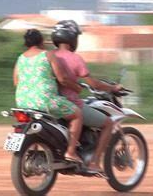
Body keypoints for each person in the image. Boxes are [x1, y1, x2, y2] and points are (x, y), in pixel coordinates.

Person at [51, 20, 123, 173]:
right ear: (72, 39)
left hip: (50, 103)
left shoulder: (48, 56)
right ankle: (95, 163)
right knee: (109, 123)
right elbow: (93, 83)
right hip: (70, 104)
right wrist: (113, 87)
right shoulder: (75, 58)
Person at [13, 29, 84, 163]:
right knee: (77, 114)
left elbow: (16, 82)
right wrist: (77, 87)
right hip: (45, 100)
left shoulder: (20, 58)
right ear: (41, 42)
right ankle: (71, 152)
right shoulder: (48, 55)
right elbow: (62, 79)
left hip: (22, 102)